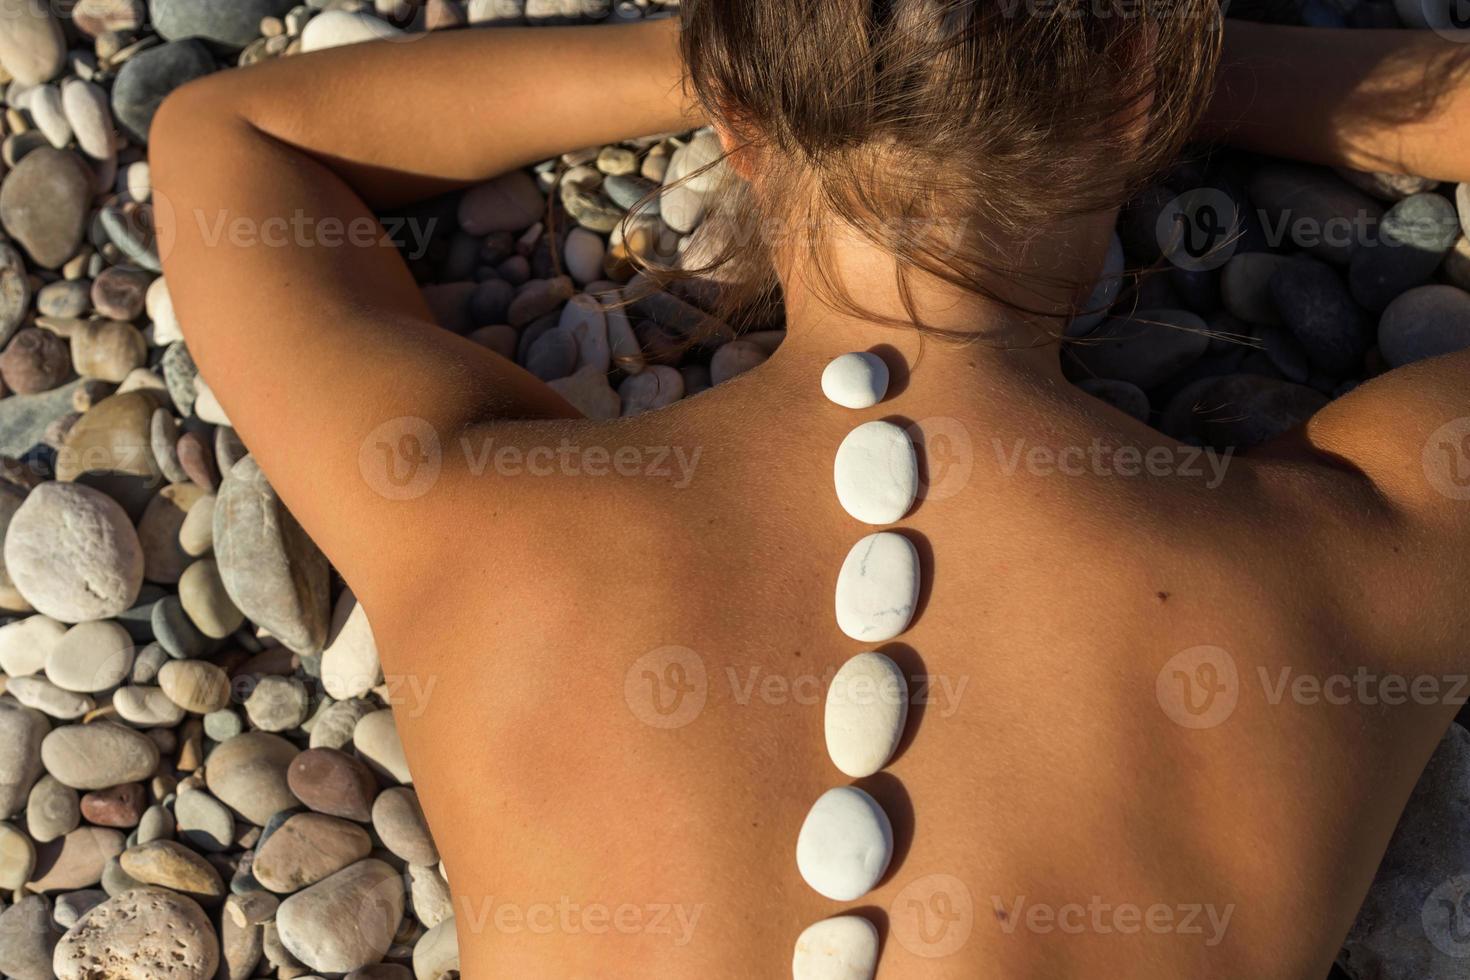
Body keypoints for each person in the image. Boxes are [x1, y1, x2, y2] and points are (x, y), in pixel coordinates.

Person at [149, 5, 1470, 976]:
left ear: (739, 121)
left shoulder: (468, 515)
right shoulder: (1359, 555)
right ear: (1140, 97)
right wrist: (1155, 72)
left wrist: (764, 53)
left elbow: (232, 135)